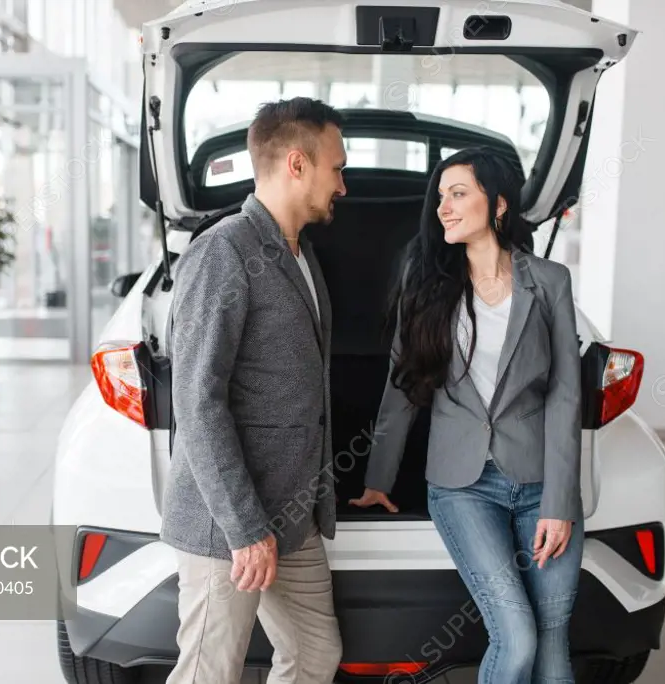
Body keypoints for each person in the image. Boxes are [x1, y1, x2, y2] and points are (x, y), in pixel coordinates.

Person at [350, 147, 584, 683]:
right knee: (517, 635)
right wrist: (378, 478)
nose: (444, 208)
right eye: (440, 198)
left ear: (497, 204)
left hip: (541, 482)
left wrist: (559, 502)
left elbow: (566, 395)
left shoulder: (550, 282)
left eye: (458, 194)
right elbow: (400, 385)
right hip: (463, 486)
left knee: (552, 641)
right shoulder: (427, 282)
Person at [161, 97, 348, 684]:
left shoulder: (299, 254)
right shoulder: (223, 252)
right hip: (232, 524)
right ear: (298, 163)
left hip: (293, 516)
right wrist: (245, 530)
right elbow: (196, 400)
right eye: (336, 168)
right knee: (208, 673)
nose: (342, 185)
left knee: (317, 655)